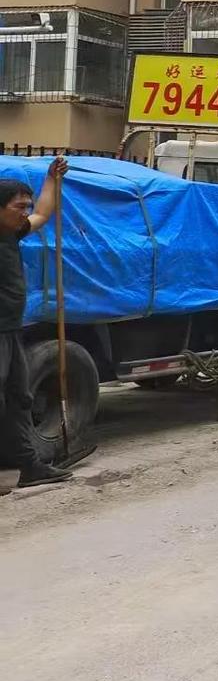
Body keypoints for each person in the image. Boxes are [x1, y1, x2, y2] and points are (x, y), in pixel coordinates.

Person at [0, 158, 73, 490]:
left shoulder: (12, 235)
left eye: (25, 206)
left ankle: (31, 467)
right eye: (18, 207)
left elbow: (43, 214)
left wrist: (51, 179)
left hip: (11, 332)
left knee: (20, 398)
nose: (24, 212)